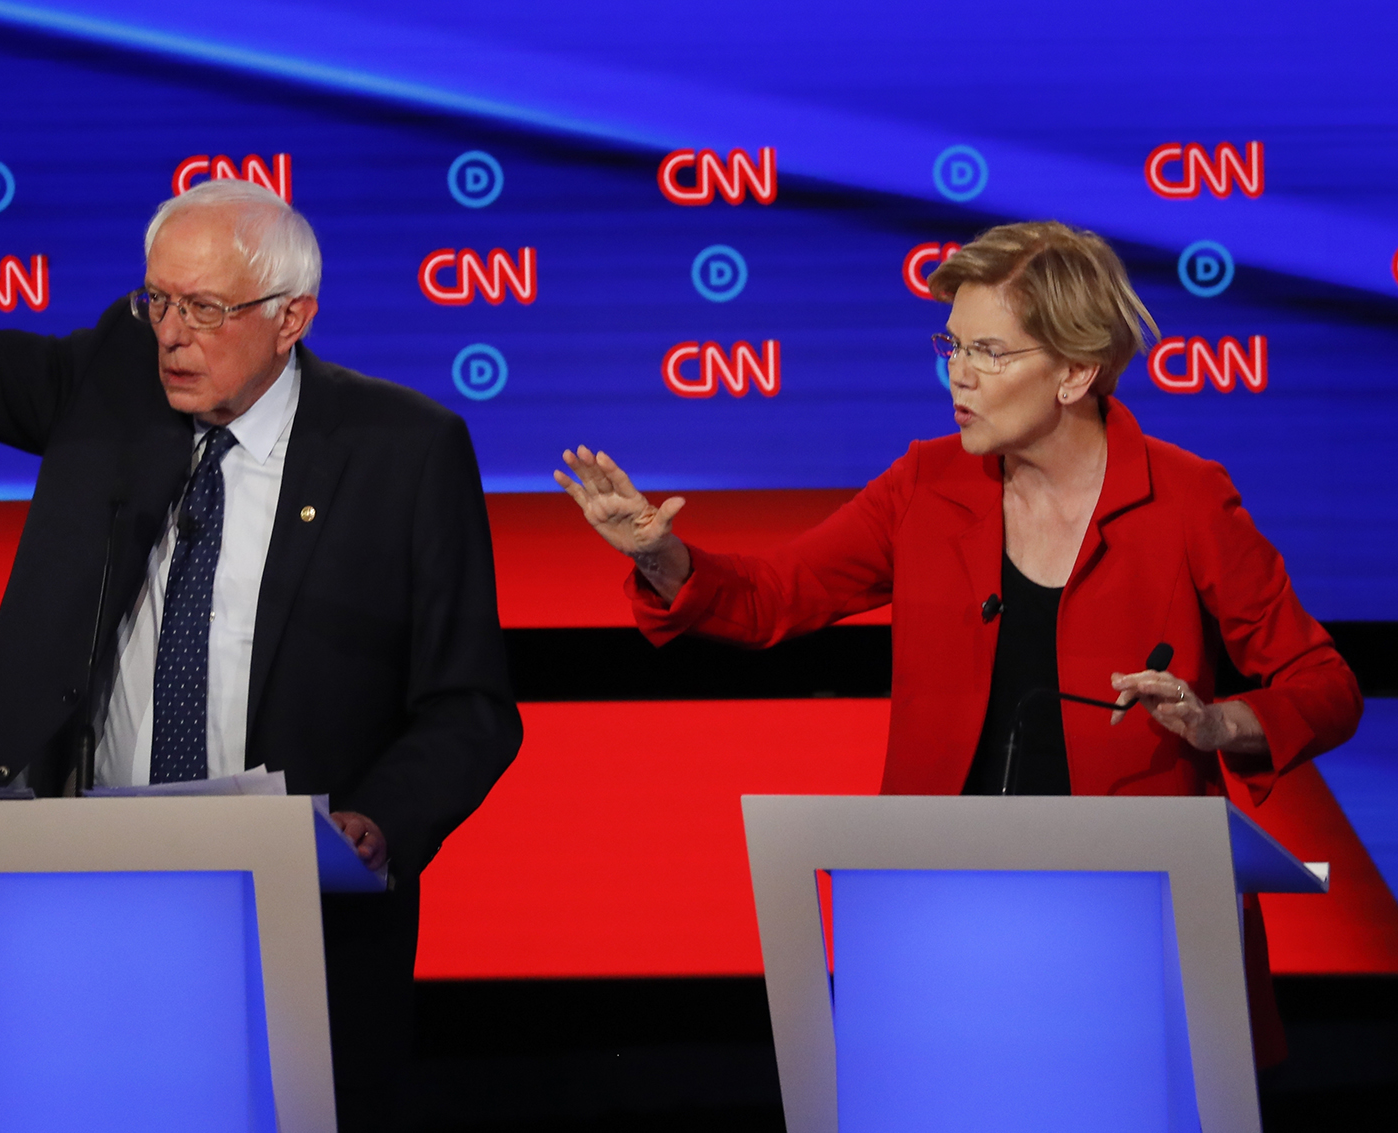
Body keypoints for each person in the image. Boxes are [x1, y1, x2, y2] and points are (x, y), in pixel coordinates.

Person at [0, 172, 523, 1130]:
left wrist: (378, 822)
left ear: (292, 318)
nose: (171, 334)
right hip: (81, 893)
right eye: (158, 299)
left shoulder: (404, 450)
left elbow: (468, 705)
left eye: (205, 307)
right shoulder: (116, 384)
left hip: (290, 914)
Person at [555, 221, 1361, 1066]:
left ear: (1076, 372)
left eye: (989, 350)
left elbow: (1325, 683)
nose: (958, 373)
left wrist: (1218, 722)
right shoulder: (925, 486)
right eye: (951, 344)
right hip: (941, 920)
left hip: (1136, 922)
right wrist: (656, 549)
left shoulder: (1188, 499)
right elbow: (767, 598)